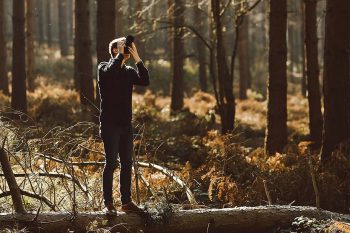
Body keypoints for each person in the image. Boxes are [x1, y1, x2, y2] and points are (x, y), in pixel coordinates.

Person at [97, 37, 150, 214]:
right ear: (114, 51)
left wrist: (137, 58)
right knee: (111, 163)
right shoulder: (104, 68)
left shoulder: (128, 72)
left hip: (126, 125)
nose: (124, 50)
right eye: (121, 48)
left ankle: (126, 202)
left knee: (127, 163)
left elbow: (144, 80)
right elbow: (112, 72)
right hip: (110, 125)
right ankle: (108, 203)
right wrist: (119, 54)